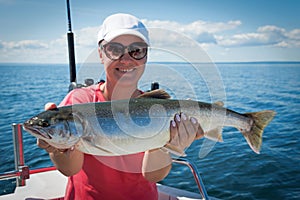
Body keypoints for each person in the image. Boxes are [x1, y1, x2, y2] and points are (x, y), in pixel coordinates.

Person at [37, 13, 204, 200]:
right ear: (101, 54)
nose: (126, 60)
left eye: (137, 50)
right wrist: (56, 147)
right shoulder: (79, 101)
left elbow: (153, 176)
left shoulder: (157, 109)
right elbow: (70, 169)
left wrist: (170, 147)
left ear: (146, 56)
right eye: (115, 50)